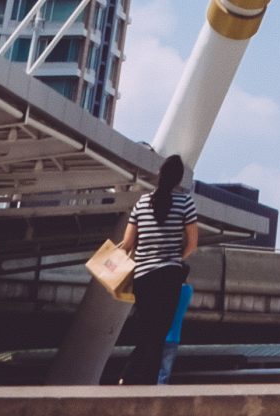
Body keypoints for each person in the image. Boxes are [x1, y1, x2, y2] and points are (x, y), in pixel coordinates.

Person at [117, 153, 198, 385]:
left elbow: (128, 242)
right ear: (179, 179)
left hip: (143, 275)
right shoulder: (185, 202)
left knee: (146, 329)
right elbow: (192, 243)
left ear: (160, 174)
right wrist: (176, 258)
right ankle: (143, 382)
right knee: (159, 332)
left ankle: (129, 376)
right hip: (169, 276)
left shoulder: (141, 203)